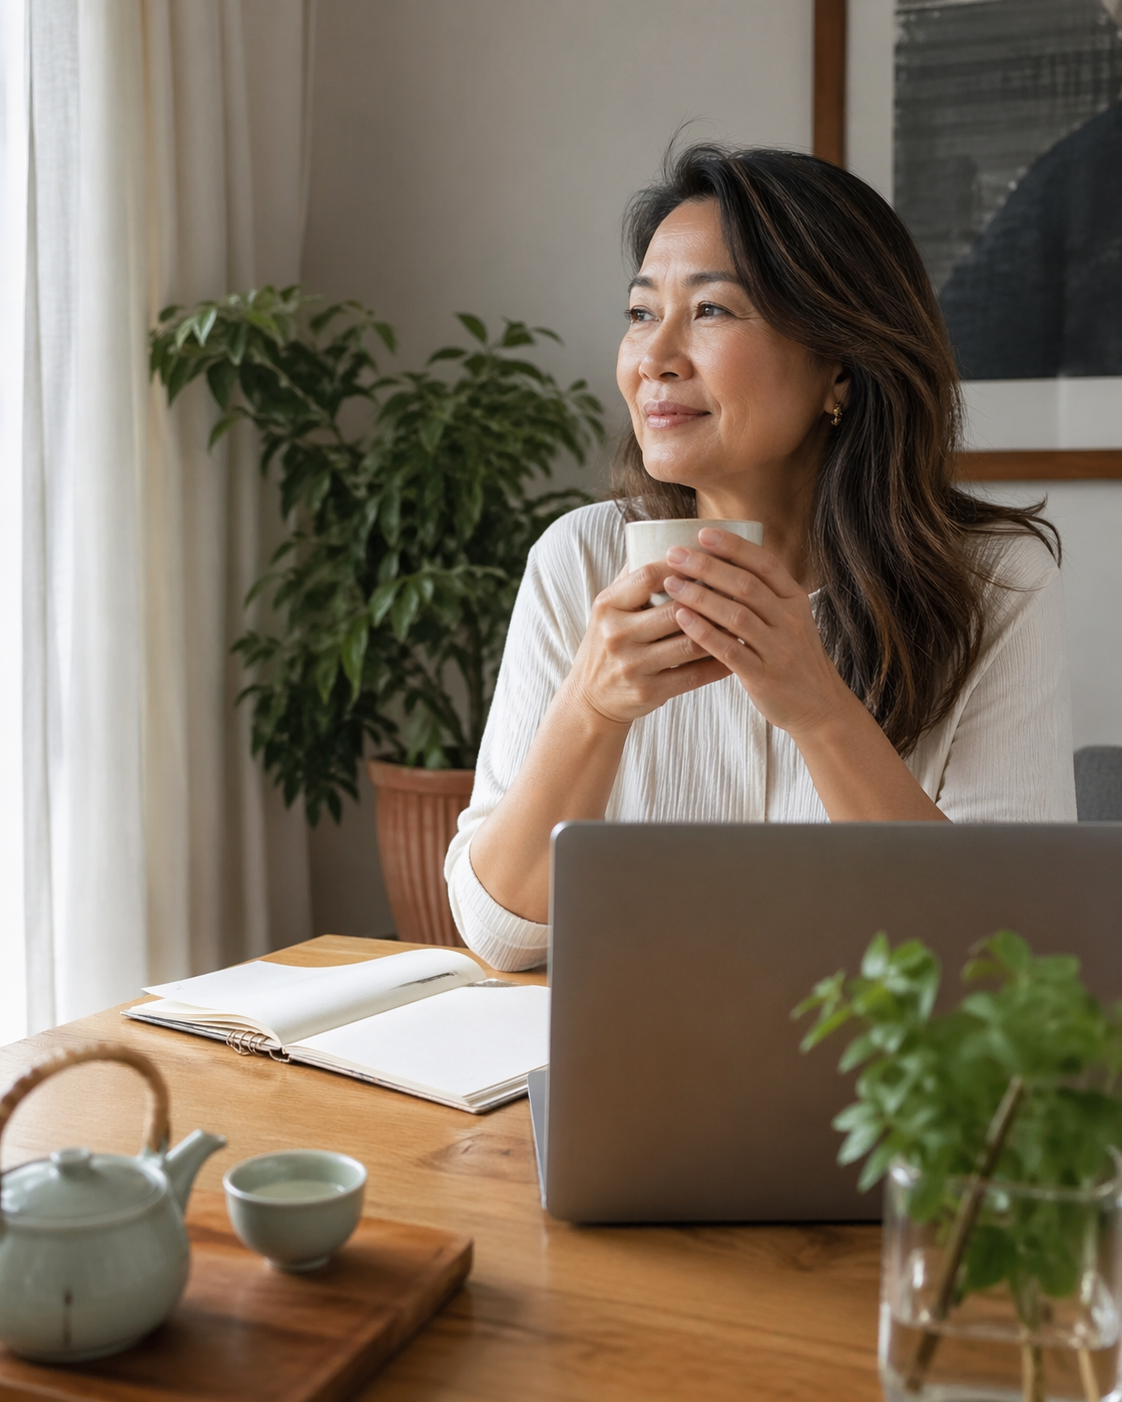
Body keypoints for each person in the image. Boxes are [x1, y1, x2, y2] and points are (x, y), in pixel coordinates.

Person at [445, 145, 1077, 972]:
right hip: (635, 1074)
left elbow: (1006, 954)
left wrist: (818, 707)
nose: (654, 359)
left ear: (839, 369)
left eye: (711, 312)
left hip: (876, 1087)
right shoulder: (580, 560)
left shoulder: (992, 580)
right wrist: (592, 711)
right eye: (641, 314)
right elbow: (499, 933)